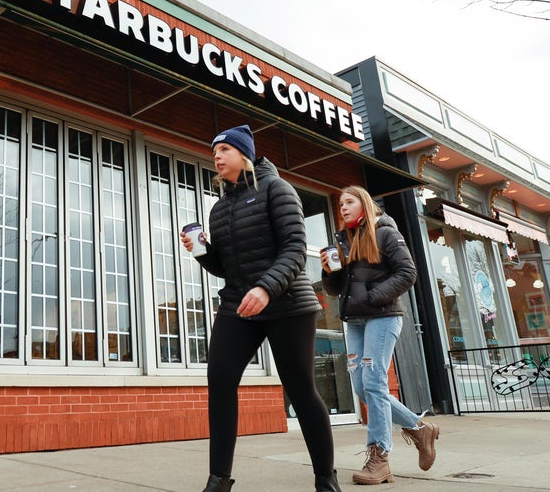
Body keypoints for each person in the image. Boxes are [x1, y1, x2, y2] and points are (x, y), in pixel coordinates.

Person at [181, 125, 341, 492]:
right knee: (220, 381)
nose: (216, 156)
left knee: (300, 389)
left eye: (224, 149)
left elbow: (295, 249)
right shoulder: (219, 209)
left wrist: (267, 288)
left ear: (245, 154)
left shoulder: (276, 189)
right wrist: (203, 252)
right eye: (214, 151)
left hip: (288, 302)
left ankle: (326, 479)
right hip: (239, 303)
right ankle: (219, 480)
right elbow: (228, 267)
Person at [320, 186, 440, 485]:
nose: (343, 207)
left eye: (349, 201)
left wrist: (374, 298)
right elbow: (335, 289)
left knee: (374, 383)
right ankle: (419, 428)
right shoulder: (343, 240)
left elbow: (407, 272)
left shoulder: (385, 232)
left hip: (383, 318)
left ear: (364, 204)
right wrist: (329, 272)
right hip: (355, 322)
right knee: (363, 388)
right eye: (340, 203)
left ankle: (380, 458)